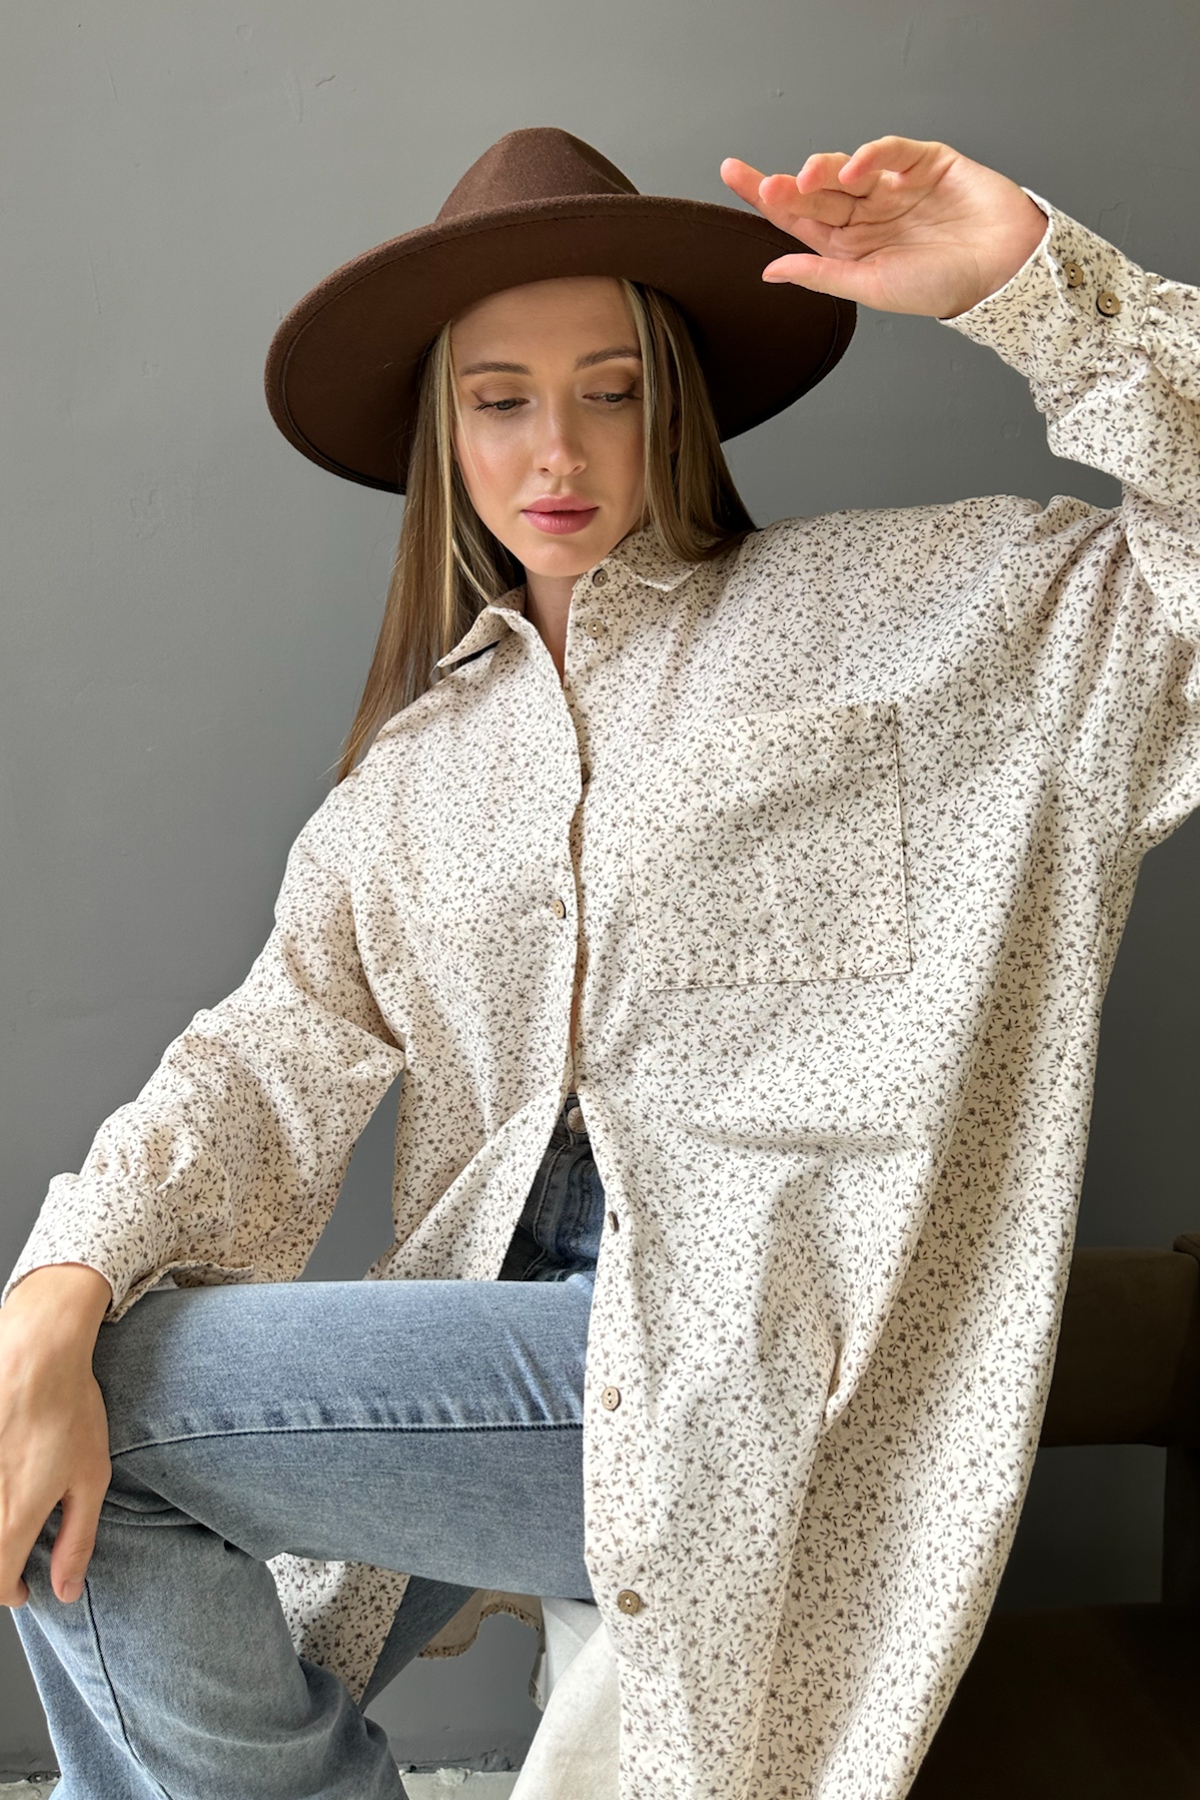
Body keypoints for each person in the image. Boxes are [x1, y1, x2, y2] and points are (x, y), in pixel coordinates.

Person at [0, 122, 1196, 1800]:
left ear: (677, 401)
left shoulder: (918, 618)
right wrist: (60, 1281)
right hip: (517, 1356)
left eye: (611, 390)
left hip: (743, 1367)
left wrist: (1032, 285)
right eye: (500, 400)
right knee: (47, 1405)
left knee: (118, 1416)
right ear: (444, 433)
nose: (556, 449)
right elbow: (266, 1057)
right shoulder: (416, 779)